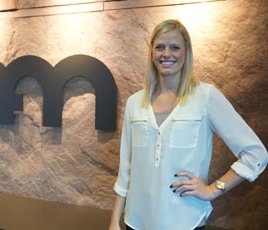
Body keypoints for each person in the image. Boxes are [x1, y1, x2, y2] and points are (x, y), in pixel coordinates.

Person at [109, 19, 268, 230]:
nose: (167, 54)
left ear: (186, 54)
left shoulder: (206, 97)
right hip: (136, 222)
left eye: (175, 47)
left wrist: (213, 189)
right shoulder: (134, 102)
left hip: (185, 222)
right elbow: (126, 166)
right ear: (151, 53)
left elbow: (256, 154)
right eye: (160, 47)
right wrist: (114, 221)